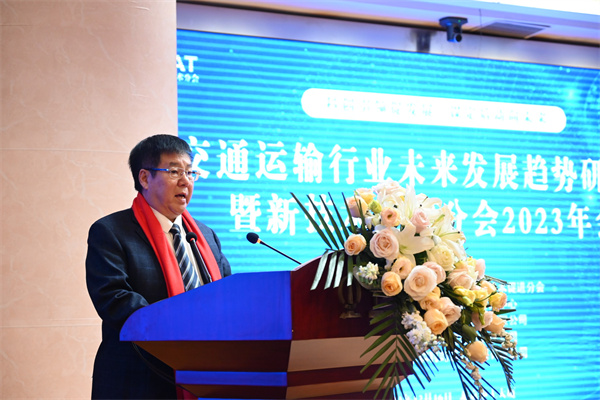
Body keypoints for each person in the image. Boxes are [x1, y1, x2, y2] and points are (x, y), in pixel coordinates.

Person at [86, 134, 231, 399]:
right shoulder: (111, 232)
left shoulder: (205, 236)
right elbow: (114, 298)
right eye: (174, 171)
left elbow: (228, 294)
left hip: (204, 374)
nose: (185, 181)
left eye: (190, 172)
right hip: (139, 379)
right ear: (144, 178)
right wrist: (181, 327)